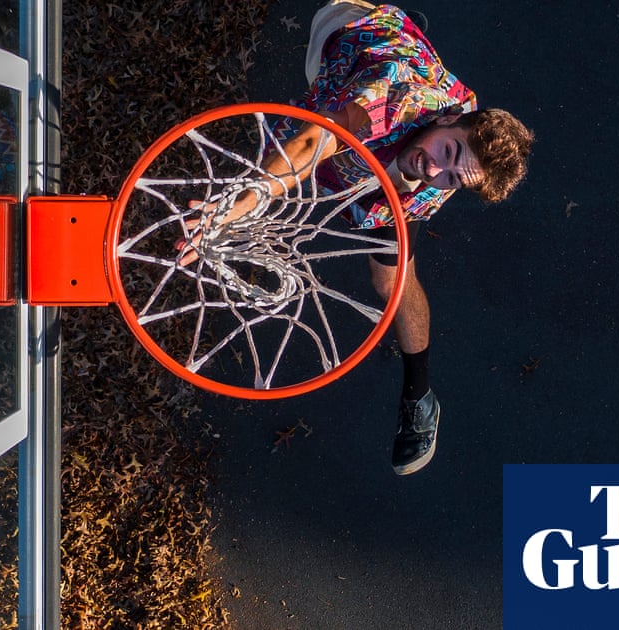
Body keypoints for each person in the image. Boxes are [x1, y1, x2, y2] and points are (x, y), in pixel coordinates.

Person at [186, 1, 533, 474]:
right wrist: (240, 203)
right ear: (450, 121)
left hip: (386, 155)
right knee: (312, 142)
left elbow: (437, 168)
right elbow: (313, 142)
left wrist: (440, 172)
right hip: (350, 35)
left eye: (452, 177)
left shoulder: (445, 169)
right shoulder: (395, 95)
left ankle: (420, 397)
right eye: (446, 152)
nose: (435, 169)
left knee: (392, 281)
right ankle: (396, 28)